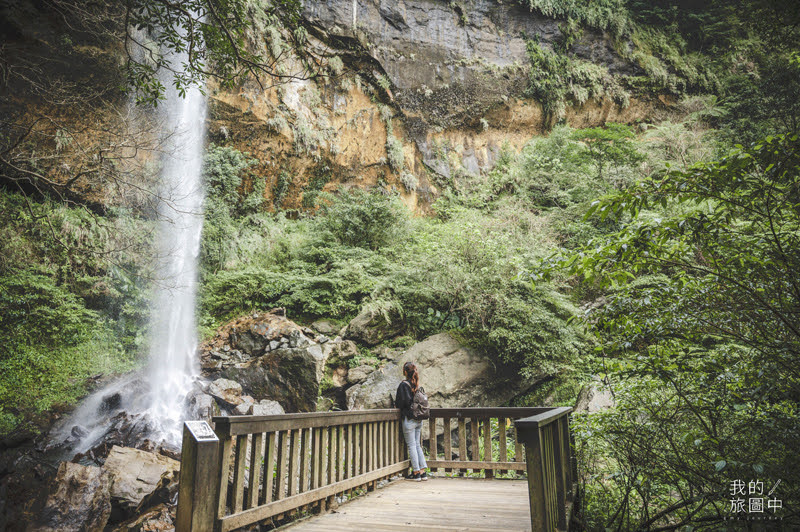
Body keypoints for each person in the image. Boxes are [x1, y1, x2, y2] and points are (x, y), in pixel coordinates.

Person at [395, 361, 428, 481]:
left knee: (411, 445)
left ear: (404, 372)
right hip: (419, 419)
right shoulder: (417, 384)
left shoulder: (404, 385)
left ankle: (416, 473)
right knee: (417, 445)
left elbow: (401, 403)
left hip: (409, 419)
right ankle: (423, 471)